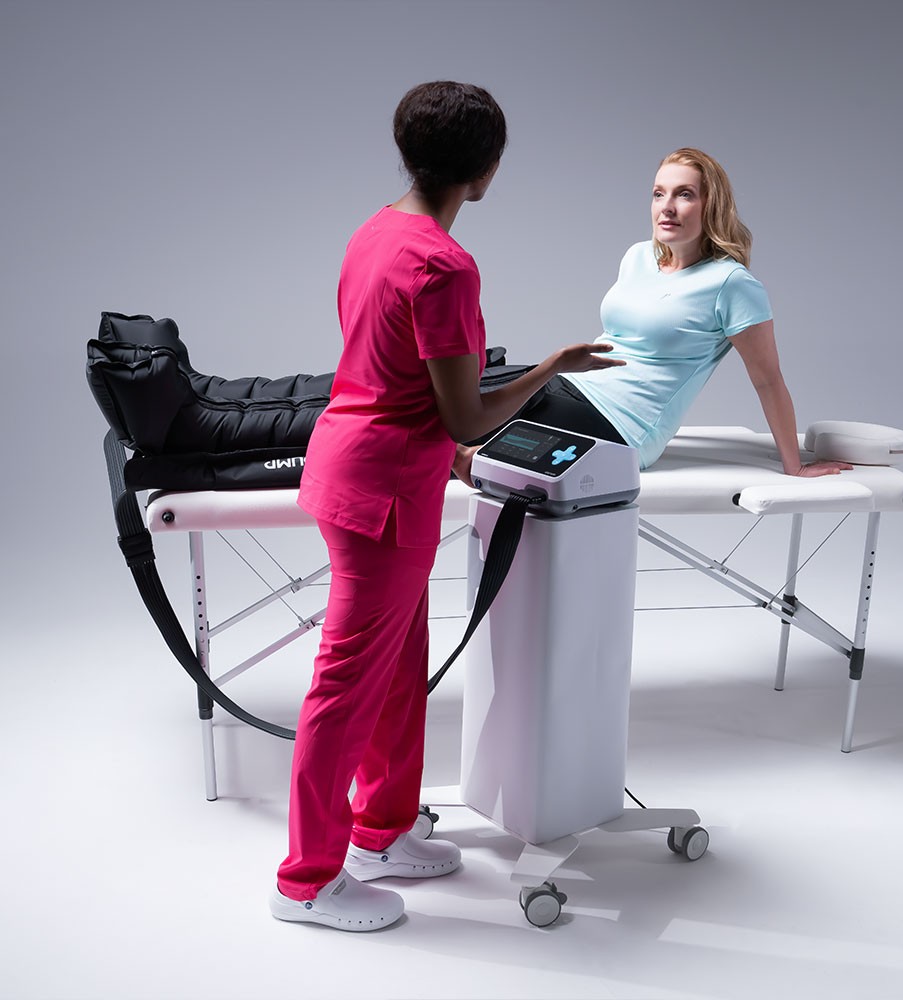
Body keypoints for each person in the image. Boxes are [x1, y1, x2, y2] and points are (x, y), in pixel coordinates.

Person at [269, 81, 621, 933]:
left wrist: (450, 449)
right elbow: (464, 413)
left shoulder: (374, 231)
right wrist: (550, 368)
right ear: (486, 170)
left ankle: (380, 832)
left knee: (398, 666)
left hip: (364, 467)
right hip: (382, 493)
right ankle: (306, 882)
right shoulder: (445, 265)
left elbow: (395, 374)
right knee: (346, 686)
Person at [454, 147, 851, 482]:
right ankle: (458, 454)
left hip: (621, 422)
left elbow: (768, 379)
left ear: (711, 205)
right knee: (462, 387)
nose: (667, 207)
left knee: (464, 418)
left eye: (684, 195)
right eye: (659, 194)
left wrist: (794, 465)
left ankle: (461, 456)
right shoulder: (638, 256)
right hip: (569, 387)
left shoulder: (731, 283)